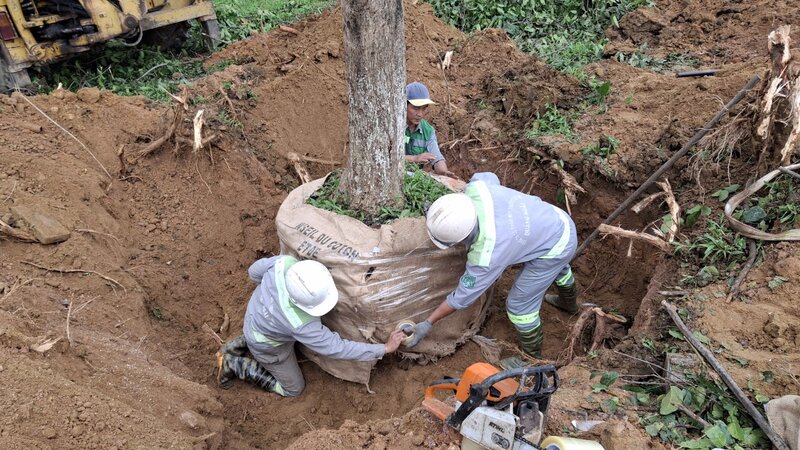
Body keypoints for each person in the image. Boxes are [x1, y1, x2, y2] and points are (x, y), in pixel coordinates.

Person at [406, 172, 579, 358]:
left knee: (519, 307)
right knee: (559, 270)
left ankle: (531, 357)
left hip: (555, 246)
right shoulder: (476, 190)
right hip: (553, 219)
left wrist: (428, 322)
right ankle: (568, 304)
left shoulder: (486, 255)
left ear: (463, 238)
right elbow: (488, 176)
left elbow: (462, 297)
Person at [217, 256, 406, 396]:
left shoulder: (283, 264)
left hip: (253, 317)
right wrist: (385, 348)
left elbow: (253, 272)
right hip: (269, 347)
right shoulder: (301, 325)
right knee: (293, 389)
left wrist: (271, 301)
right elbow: (338, 348)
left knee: (264, 330)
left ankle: (241, 343)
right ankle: (235, 365)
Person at [405, 81, 455, 177]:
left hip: (412, 180)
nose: (420, 114)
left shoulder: (428, 131)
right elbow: (388, 157)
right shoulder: (393, 126)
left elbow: (436, 157)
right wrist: (414, 159)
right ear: (404, 105)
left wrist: (443, 172)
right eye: (416, 108)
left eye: (424, 109)